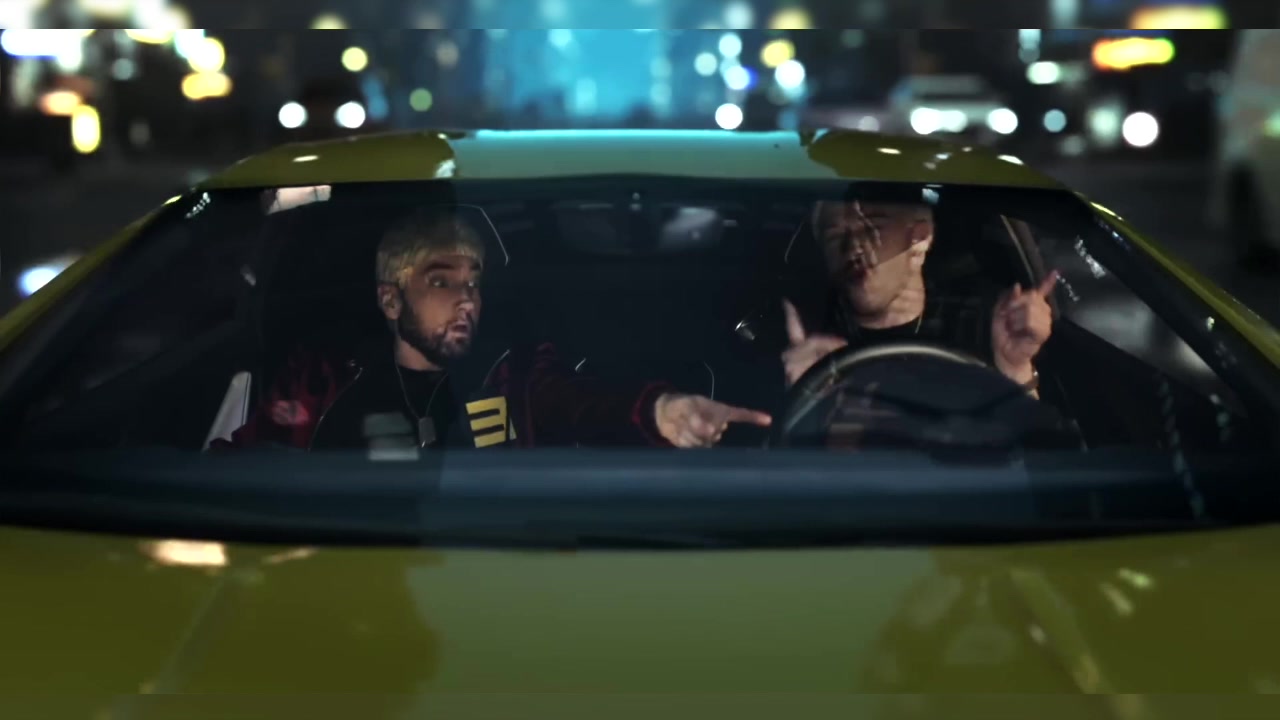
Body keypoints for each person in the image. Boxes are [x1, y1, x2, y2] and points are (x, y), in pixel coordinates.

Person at [213, 208, 770, 452]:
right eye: (441, 282)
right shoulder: (325, 378)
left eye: (474, 283)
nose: (466, 300)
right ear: (390, 299)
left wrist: (659, 411)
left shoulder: (511, 374)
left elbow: (581, 403)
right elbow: (248, 462)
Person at [781, 197, 1057, 395]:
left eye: (873, 227)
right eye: (834, 237)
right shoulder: (808, 335)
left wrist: (1015, 368)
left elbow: (1032, 447)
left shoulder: (983, 324)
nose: (854, 246)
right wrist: (800, 391)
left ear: (920, 240)